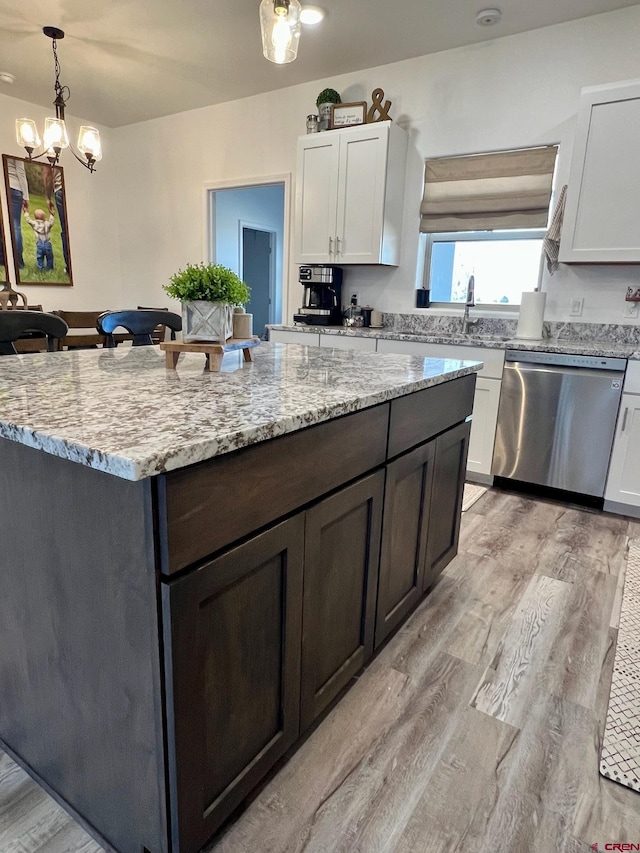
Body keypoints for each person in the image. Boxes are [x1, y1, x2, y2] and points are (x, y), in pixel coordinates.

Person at [44, 165, 69, 273]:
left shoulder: (49, 152)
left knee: (66, 231)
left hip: (60, 189)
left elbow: (48, 175)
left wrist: (48, 197)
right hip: (78, 189)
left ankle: (69, 267)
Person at [6, 157, 29, 269]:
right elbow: (20, 170)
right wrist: (26, 196)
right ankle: (18, 262)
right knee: (15, 226)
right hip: (14, 186)